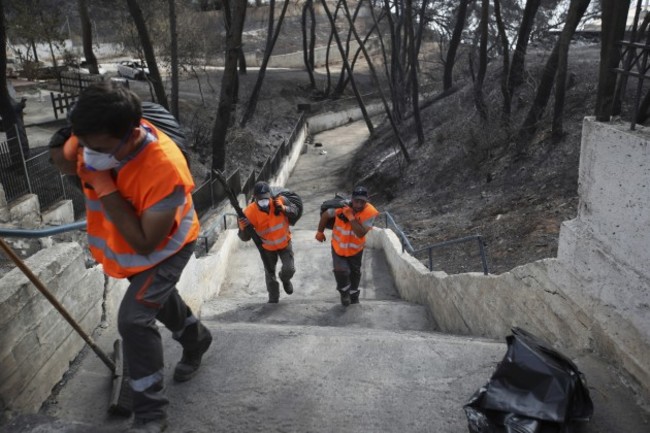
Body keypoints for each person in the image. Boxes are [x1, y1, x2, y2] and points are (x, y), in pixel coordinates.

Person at [49, 82, 211, 433]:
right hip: (132, 248)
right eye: (86, 145)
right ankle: (197, 339)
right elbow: (63, 160)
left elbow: (144, 242)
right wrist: (73, 150)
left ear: (131, 134)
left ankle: (152, 416)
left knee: (135, 320)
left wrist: (103, 185)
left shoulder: (164, 168)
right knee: (156, 299)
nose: (89, 154)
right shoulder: (98, 136)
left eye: (99, 148)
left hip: (167, 247)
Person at [315, 186, 379, 306]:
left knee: (355, 273)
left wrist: (350, 217)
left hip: (356, 250)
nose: (359, 204)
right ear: (352, 199)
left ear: (367, 201)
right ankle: (344, 293)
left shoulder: (370, 213)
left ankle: (354, 296)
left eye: (362, 202)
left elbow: (360, 233)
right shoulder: (340, 208)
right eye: (356, 201)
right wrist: (320, 231)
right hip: (338, 246)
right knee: (341, 271)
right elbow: (325, 215)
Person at [238, 181, 298, 303]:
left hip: (285, 244)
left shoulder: (280, 201)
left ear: (270, 195)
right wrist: (244, 228)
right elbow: (244, 238)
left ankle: (285, 279)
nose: (264, 202)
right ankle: (273, 299)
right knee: (270, 275)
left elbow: (295, 211)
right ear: (255, 198)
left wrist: (284, 208)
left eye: (266, 199)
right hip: (267, 248)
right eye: (260, 199)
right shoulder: (248, 213)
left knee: (290, 269)